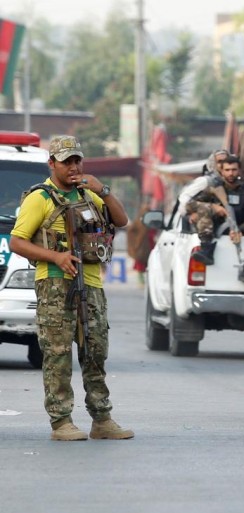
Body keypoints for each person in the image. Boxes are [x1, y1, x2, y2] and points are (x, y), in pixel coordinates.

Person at [9, 136, 133, 441]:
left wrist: (101, 188)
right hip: (54, 283)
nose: (73, 167)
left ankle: (101, 419)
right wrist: (56, 257)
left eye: (77, 160)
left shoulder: (89, 194)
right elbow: (17, 241)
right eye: (67, 162)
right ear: (52, 164)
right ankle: (61, 421)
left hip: (90, 284)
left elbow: (121, 219)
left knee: (95, 351)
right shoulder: (40, 198)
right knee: (58, 353)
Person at [183, 155, 244, 285]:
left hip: (240, 228)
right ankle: (206, 249)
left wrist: (239, 230)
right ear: (222, 171)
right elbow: (189, 204)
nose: (231, 173)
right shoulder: (214, 187)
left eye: (234, 169)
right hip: (216, 229)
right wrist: (214, 207)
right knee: (204, 208)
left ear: (239, 171)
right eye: (227, 170)